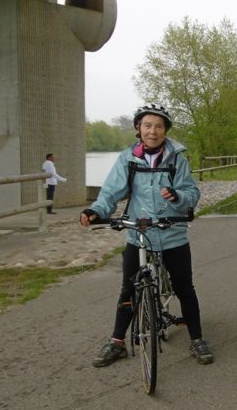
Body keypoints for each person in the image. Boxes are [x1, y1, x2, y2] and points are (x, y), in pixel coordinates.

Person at [80, 103, 214, 367]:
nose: (153, 131)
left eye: (159, 126)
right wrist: (96, 210)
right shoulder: (127, 159)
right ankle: (117, 342)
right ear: (138, 129)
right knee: (128, 288)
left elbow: (192, 195)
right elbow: (111, 192)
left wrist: (177, 197)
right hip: (138, 233)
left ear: (166, 131)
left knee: (185, 288)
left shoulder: (178, 159)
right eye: (148, 125)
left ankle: (197, 339)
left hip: (172, 232)